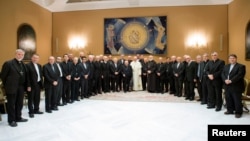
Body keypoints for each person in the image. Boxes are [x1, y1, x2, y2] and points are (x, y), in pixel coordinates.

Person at [1, 49, 28, 127]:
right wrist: (7, 86)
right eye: (19, 54)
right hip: (11, 87)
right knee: (11, 104)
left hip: (21, 87)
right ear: (15, 54)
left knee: (19, 103)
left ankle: (18, 117)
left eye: (22, 55)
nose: (20, 56)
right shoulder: (8, 63)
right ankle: (11, 120)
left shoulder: (23, 64)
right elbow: (3, 76)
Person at [221, 54, 246, 118]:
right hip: (227, 85)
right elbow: (222, 74)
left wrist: (231, 81)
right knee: (228, 98)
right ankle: (230, 110)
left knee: (237, 100)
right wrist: (225, 80)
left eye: (233, 58)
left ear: (236, 59)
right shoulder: (226, 66)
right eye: (230, 58)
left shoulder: (241, 66)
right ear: (229, 59)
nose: (232, 59)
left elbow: (240, 75)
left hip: (236, 86)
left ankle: (238, 112)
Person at [26, 54, 44, 118]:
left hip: (38, 84)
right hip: (31, 85)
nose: (35, 59)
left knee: (37, 98)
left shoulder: (39, 65)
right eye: (34, 58)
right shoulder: (27, 65)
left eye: (37, 58)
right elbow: (27, 77)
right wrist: (28, 86)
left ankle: (36, 109)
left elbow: (40, 75)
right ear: (31, 58)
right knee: (30, 99)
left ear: (38, 59)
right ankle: (31, 112)